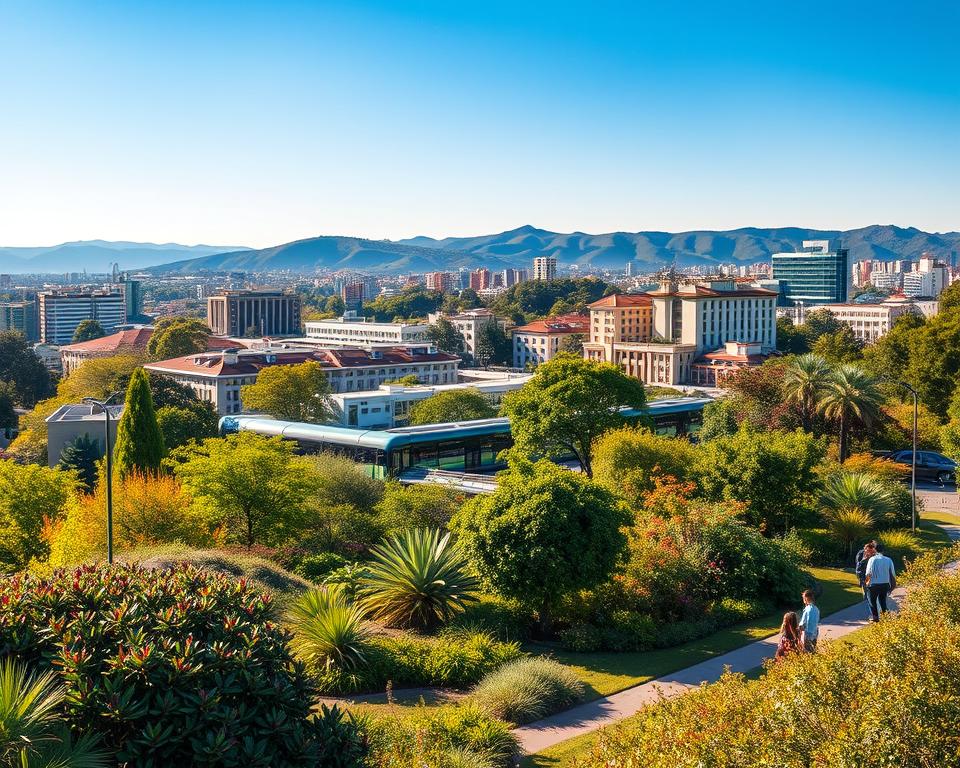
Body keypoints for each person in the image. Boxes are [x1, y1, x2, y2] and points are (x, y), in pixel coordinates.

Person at [865, 543, 897, 622]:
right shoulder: (888, 560)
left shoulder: (872, 559)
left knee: (871, 601)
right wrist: (892, 586)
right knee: (882, 601)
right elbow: (892, 574)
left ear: (874, 549)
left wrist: (866, 583)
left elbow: (868, 573)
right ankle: (886, 617)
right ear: (883, 550)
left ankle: (875, 618)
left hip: (874, 585)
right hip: (885, 584)